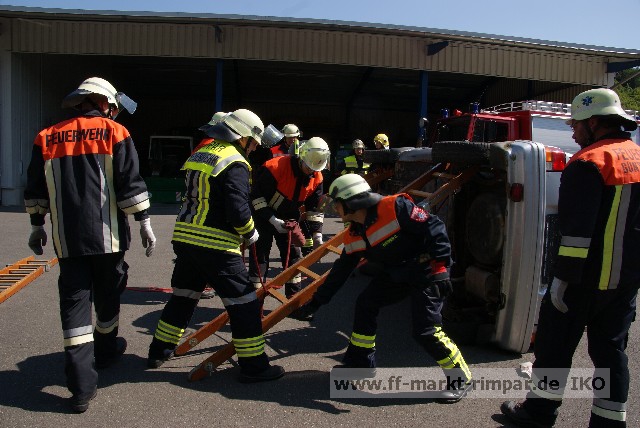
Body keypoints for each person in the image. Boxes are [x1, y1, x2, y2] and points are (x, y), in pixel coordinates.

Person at [501, 88, 640, 427]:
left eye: (575, 125)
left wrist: (561, 281)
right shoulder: (637, 157)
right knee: (611, 352)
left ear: (593, 123)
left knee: (554, 347)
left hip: (583, 280)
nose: (573, 133)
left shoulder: (589, 162)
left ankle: (538, 413)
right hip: (625, 283)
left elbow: (576, 235)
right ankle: (609, 422)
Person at [24, 77, 156, 413]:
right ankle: (106, 351)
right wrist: (144, 221)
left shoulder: (47, 136)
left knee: (75, 307)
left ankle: (81, 388)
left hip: (67, 241)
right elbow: (129, 183)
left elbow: (36, 188)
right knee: (108, 296)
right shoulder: (115, 132)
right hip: (108, 239)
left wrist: (37, 225)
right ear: (107, 104)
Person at [291, 174, 473, 403]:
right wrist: (316, 303)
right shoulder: (355, 233)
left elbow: (434, 228)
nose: (335, 209)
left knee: (426, 330)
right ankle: (360, 365)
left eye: (337, 203)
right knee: (366, 303)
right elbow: (340, 271)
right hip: (399, 273)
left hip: (427, 270)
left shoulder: (395, 206)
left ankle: (460, 378)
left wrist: (440, 269)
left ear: (351, 201)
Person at [146, 108, 285, 383]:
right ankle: (254, 367)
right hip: (215, 244)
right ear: (242, 136)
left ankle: (158, 351)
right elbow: (237, 208)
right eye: (253, 142)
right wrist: (251, 232)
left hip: (186, 239)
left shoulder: (201, 153)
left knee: (183, 297)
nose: (254, 148)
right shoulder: (235, 161)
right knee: (245, 304)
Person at [249, 137, 330, 297]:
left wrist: (317, 235)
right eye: (308, 167)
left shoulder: (317, 176)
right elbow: (256, 197)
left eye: (314, 169)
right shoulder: (274, 167)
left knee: (294, 257)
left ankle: (293, 299)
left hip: (289, 218)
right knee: (260, 258)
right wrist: (272, 219)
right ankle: (254, 301)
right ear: (301, 157)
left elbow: (314, 208)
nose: (311, 171)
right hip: (263, 216)